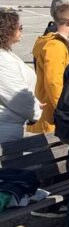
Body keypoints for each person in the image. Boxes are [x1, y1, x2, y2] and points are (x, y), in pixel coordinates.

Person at [29, 2, 69, 134]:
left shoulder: (60, 44)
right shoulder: (56, 47)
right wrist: (65, 111)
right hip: (52, 116)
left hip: (52, 113)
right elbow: (54, 82)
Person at [0, 9, 41, 142]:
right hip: (5, 130)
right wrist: (35, 111)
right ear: (8, 30)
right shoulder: (2, 60)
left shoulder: (6, 54)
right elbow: (17, 96)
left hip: (12, 124)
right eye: (20, 27)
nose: (22, 30)